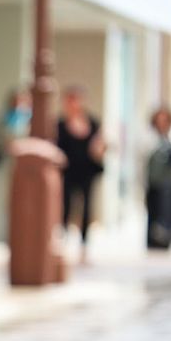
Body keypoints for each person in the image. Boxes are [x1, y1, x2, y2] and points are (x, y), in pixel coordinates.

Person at [56, 85, 107, 264]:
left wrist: (101, 149)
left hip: (87, 171)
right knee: (66, 206)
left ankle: (84, 246)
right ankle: (62, 244)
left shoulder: (92, 123)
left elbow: (100, 145)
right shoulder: (60, 125)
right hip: (68, 172)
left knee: (86, 208)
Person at [144, 106, 171, 249]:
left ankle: (164, 238)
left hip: (169, 184)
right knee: (152, 211)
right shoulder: (149, 137)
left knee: (166, 212)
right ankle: (151, 241)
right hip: (153, 181)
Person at [0, 86, 32, 170]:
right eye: (15, 101)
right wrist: (5, 145)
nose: (17, 105)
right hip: (5, 160)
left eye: (21, 101)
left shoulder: (31, 119)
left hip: (24, 161)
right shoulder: (2, 118)